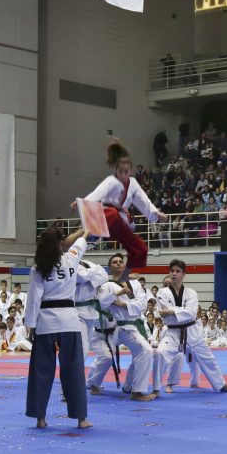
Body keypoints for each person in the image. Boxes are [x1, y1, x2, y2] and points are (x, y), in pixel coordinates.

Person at [24, 227, 92, 429]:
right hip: (69, 321)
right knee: (74, 370)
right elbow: (79, 243)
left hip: (45, 322)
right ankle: (81, 419)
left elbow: (33, 299)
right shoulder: (71, 259)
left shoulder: (39, 267)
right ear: (61, 244)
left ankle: (40, 419)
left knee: (41, 371)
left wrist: (30, 325)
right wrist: (85, 230)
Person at [74, 140, 167, 281]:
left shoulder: (134, 184)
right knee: (113, 213)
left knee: (141, 248)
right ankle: (90, 234)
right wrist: (82, 202)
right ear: (115, 171)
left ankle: (122, 278)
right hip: (105, 218)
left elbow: (143, 200)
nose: (123, 174)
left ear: (131, 171)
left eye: (126, 172)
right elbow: (97, 193)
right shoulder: (110, 181)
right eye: (120, 172)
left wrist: (154, 212)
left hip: (118, 224)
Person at [156, 259, 227, 395]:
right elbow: (164, 314)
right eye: (172, 271)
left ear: (184, 274)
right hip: (172, 332)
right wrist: (179, 310)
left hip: (191, 331)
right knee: (160, 353)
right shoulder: (162, 292)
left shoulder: (191, 293)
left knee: (208, 358)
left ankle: (221, 385)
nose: (174, 274)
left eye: (177, 271)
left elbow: (191, 313)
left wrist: (172, 311)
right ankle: (155, 388)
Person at [97, 253, 156, 401]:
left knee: (141, 353)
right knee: (108, 356)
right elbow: (102, 303)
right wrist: (118, 293)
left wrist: (122, 304)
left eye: (120, 262)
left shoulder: (135, 284)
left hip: (132, 326)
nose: (118, 263)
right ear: (110, 268)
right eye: (115, 262)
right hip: (117, 327)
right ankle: (94, 384)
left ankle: (130, 387)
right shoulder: (107, 286)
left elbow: (143, 303)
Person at [74, 258, 111, 394]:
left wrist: (89, 276)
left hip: (90, 312)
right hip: (76, 313)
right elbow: (80, 276)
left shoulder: (86, 262)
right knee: (81, 351)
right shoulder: (69, 262)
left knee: (84, 350)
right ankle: (71, 385)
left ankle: (74, 383)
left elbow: (104, 275)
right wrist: (95, 272)